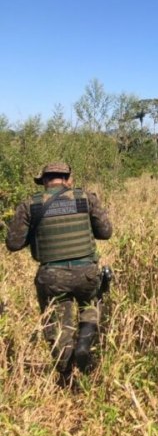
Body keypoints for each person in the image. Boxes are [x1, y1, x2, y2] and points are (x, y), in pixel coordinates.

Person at [5, 162, 112, 385]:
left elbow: (13, 244)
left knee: (57, 326)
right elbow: (106, 232)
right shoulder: (86, 198)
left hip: (52, 278)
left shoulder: (30, 205)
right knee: (91, 302)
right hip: (86, 274)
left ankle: (66, 375)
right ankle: (84, 341)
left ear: (44, 181)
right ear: (68, 179)